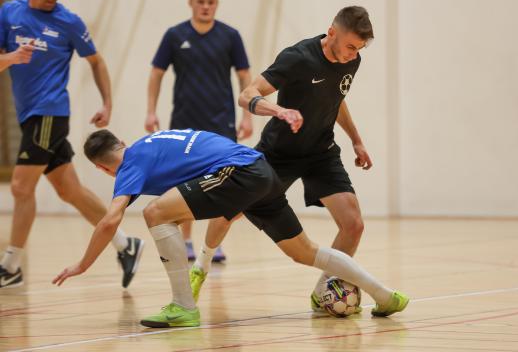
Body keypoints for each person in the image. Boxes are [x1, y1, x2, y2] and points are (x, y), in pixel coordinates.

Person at [52, 128, 409, 328]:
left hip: (239, 172)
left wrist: (83, 264)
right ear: (121, 141)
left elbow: (110, 220)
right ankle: (385, 296)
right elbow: (205, 200)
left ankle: (183, 306)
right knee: (304, 251)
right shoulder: (152, 142)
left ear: (103, 169)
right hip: (261, 171)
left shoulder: (131, 165)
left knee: (154, 212)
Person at [199, 6, 375, 312]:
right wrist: (278, 110)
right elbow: (247, 94)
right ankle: (200, 267)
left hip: (320, 153)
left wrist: (356, 140)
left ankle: (324, 293)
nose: (353, 55)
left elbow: (337, 98)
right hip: (279, 153)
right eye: (350, 46)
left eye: (359, 49)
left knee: (354, 225)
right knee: (230, 208)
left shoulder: (352, 60)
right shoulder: (298, 58)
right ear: (331, 32)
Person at [0, 0, 143, 289]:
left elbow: (96, 61)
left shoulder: (69, 22)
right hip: (29, 116)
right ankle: (126, 244)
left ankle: (11, 265)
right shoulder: (9, 14)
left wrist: (107, 103)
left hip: (50, 113)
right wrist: (12, 57)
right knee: (69, 190)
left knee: (20, 187)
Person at [145, 0, 253, 263]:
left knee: (225, 183)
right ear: (190, 3)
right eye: (200, 2)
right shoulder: (175, 35)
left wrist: (247, 116)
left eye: (210, 2)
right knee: (186, 181)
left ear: (216, 4)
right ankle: (187, 241)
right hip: (185, 121)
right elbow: (156, 73)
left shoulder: (230, 36)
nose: (205, 7)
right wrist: (151, 111)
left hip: (221, 121)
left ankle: (213, 245)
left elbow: (244, 75)